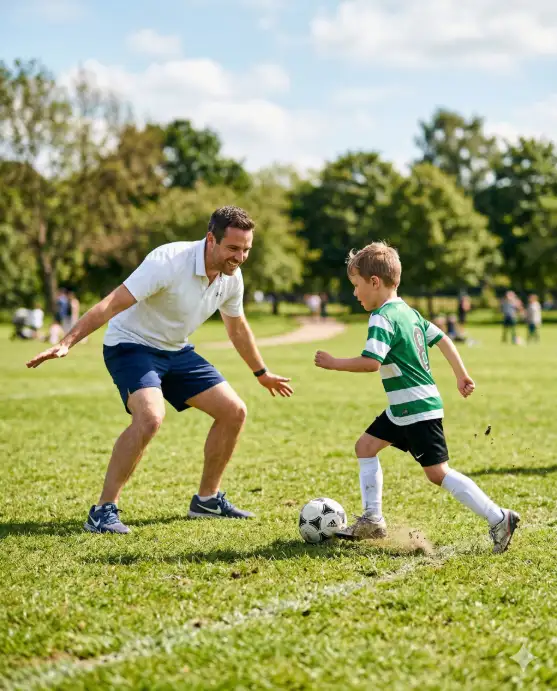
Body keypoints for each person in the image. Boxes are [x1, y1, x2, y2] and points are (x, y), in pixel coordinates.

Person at [27, 206, 293, 534]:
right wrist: (67, 341)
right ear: (211, 239)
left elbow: (237, 328)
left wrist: (261, 372)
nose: (239, 257)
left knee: (234, 412)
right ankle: (102, 512)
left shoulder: (231, 278)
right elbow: (112, 302)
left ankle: (207, 501)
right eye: (233, 248)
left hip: (175, 351)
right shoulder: (168, 261)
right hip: (131, 346)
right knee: (150, 417)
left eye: (246, 250)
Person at [314, 242, 520, 554]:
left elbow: (372, 362)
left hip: (415, 408)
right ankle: (372, 521)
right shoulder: (408, 313)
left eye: (356, 286)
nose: (355, 294)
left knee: (438, 474)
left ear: (375, 282)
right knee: (365, 447)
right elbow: (444, 339)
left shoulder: (382, 317)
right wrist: (460, 374)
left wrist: (333, 363)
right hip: (406, 408)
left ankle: (499, 517)